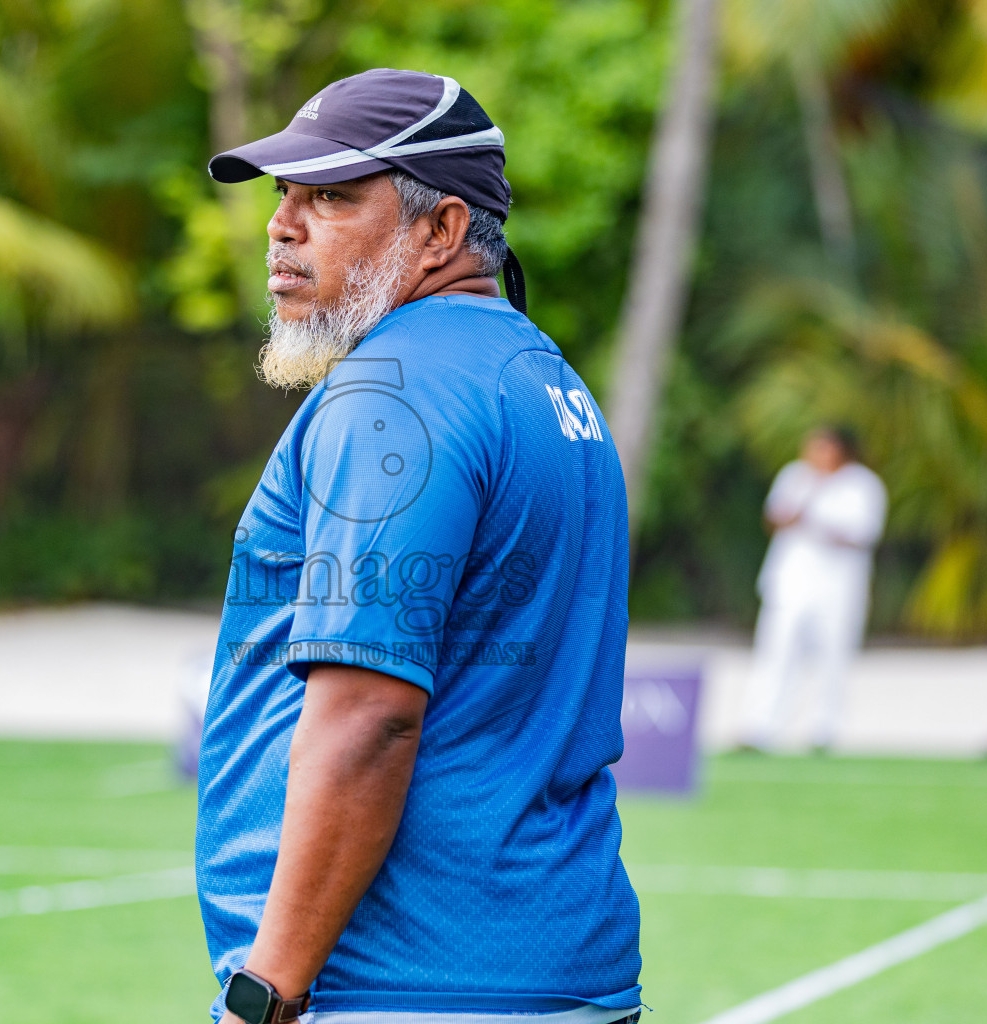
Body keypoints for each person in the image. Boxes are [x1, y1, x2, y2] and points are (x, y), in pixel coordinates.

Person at [196, 69, 644, 1024]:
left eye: (331, 197)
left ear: (442, 230)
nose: (283, 225)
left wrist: (264, 994)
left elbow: (368, 716)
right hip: (561, 970)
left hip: (409, 984)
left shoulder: (394, 393)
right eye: (285, 196)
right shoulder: (543, 377)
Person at [738, 427, 886, 752]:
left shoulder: (862, 484)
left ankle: (824, 730)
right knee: (776, 651)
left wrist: (817, 520)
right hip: (790, 581)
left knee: (833, 656)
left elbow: (864, 533)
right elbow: (774, 517)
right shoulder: (794, 476)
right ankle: (761, 726)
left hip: (838, 586)